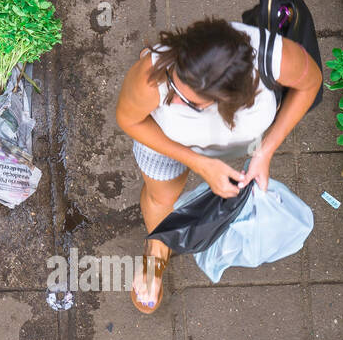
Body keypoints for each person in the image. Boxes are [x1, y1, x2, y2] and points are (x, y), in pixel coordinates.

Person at [114, 17, 322, 313]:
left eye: (191, 103)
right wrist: (199, 163)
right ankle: (158, 248)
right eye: (176, 80)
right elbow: (129, 119)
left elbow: (310, 83)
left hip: (238, 140)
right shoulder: (154, 75)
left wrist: (266, 150)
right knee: (161, 195)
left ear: (231, 100)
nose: (172, 99)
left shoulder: (273, 58)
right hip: (166, 141)